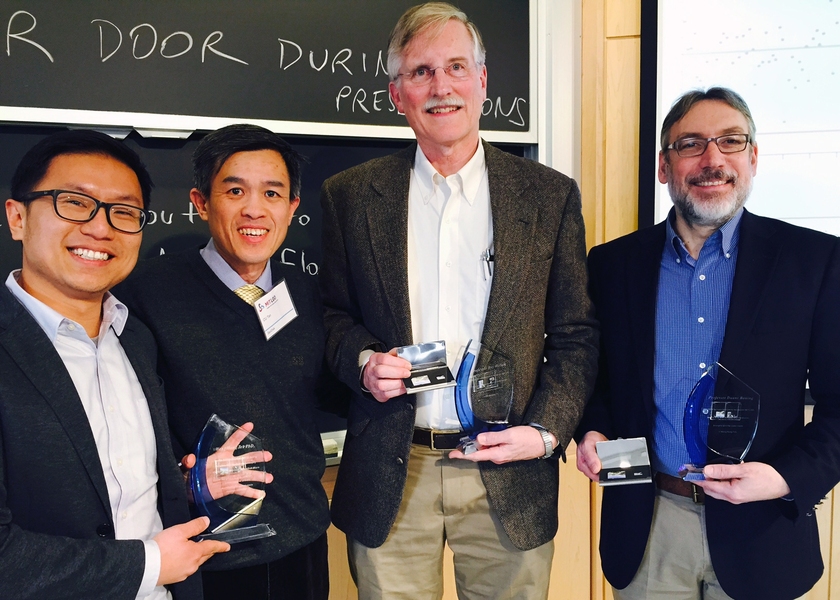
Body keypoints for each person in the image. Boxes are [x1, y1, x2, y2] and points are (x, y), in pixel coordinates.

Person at [318, 3, 598, 598]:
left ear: (483, 81)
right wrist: (365, 362)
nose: (441, 86)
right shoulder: (350, 196)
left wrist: (546, 433)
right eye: (421, 72)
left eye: (455, 67)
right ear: (398, 94)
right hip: (394, 467)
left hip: (509, 466)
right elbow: (332, 317)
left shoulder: (547, 197)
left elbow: (575, 334)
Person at [575, 87, 840, 600]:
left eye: (731, 142)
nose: (712, 159)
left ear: (753, 158)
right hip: (649, 530)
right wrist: (593, 430)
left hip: (763, 534)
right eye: (692, 144)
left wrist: (784, 478)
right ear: (664, 166)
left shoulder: (814, 262)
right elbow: (600, 381)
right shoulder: (613, 265)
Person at [0, 129, 229, 599]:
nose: (100, 229)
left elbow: (114, 486)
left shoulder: (134, 338)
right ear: (17, 217)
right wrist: (150, 563)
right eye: (75, 203)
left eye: (123, 212)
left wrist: (185, 484)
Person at [116, 124, 332, 600]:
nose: (254, 209)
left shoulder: (307, 293)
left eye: (272, 193)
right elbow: (121, 417)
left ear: (292, 207)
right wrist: (183, 475)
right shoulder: (146, 292)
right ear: (201, 201)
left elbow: (322, 395)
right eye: (235, 190)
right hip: (203, 548)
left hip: (304, 536)